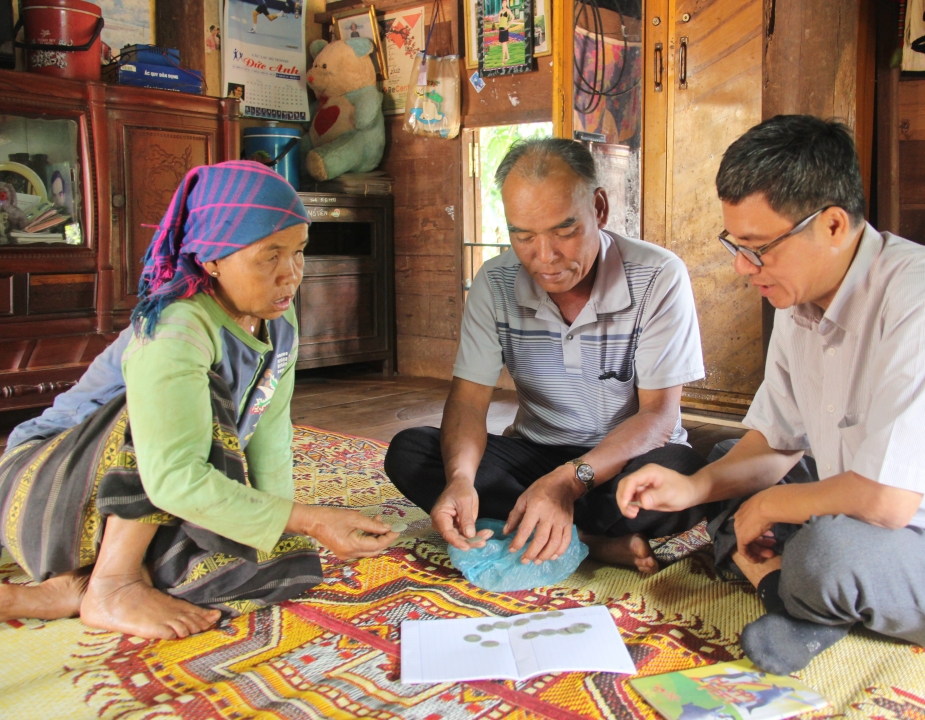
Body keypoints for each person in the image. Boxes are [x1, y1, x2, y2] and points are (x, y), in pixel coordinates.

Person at [616, 115, 925, 674]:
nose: (742, 267)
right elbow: (774, 444)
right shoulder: (798, 300)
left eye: (758, 248)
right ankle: (794, 593)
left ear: (833, 225)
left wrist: (769, 507)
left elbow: (886, 501)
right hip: (879, 529)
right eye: (735, 245)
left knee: (828, 552)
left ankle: (786, 588)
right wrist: (692, 489)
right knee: (719, 467)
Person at [0, 161, 398, 639]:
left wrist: (284, 529)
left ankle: (71, 584)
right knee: (195, 406)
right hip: (52, 493)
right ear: (211, 258)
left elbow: (269, 443)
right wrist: (312, 519)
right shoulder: (177, 328)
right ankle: (113, 582)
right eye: (270, 256)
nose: (291, 274)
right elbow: (171, 476)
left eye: (299, 252)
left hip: (140, 502)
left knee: (283, 566)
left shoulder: (281, 326)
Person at [385, 138, 712, 575]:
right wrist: (462, 480)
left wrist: (566, 484)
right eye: (523, 236)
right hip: (538, 452)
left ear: (598, 208)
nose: (545, 258)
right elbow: (467, 400)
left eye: (564, 231)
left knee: (680, 472)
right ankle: (591, 541)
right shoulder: (496, 282)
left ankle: (542, 523)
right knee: (413, 453)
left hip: (623, 461)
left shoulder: (658, 276)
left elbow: (658, 418)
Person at [497, 0, 513, 64]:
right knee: (504, 44)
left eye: (505, 3)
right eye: (503, 3)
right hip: (501, 29)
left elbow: (513, 17)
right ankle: (508, 56)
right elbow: (499, 21)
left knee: (504, 45)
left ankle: (503, 60)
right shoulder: (500, 11)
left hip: (505, 29)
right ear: (502, 4)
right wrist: (499, 17)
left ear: (506, 3)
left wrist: (508, 25)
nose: (504, 4)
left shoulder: (508, 10)